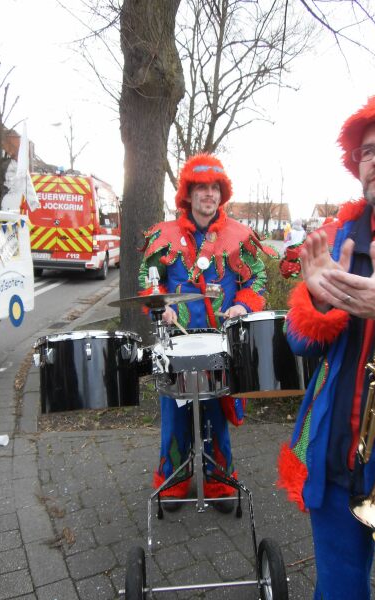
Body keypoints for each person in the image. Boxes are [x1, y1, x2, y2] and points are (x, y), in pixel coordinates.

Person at [277, 85, 375, 599]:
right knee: (336, 590)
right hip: (333, 458)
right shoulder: (339, 238)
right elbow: (297, 342)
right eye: (368, 151)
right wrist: (316, 299)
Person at [138, 153, 268, 512]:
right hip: (175, 342)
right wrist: (159, 305)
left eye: (214, 188)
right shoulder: (162, 236)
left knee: (216, 415)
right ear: (188, 193)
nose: (208, 194)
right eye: (201, 188)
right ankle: (175, 481)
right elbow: (147, 280)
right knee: (175, 416)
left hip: (220, 342)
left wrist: (243, 305)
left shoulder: (239, 236)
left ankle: (219, 481)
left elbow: (257, 278)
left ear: (221, 193)